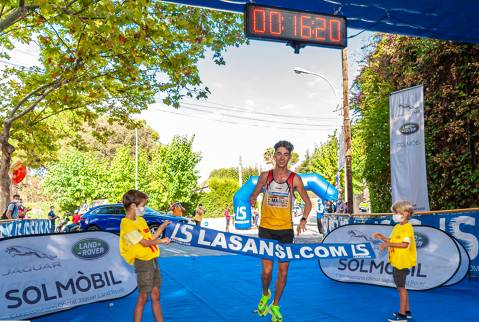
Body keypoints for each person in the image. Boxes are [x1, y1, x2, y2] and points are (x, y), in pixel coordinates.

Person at [249, 140, 312, 322]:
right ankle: (265, 294)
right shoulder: (264, 176)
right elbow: (253, 194)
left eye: (285, 154)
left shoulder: (295, 179)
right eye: (279, 153)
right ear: (274, 156)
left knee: (283, 272)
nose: (282, 157)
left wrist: (303, 219)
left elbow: (307, 203)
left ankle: (275, 305)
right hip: (266, 229)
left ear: (289, 157)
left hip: (286, 231)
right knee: (267, 272)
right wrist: (253, 199)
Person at [119, 190, 171, 322]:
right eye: (142, 205)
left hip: (153, 261)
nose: (144, 208)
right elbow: (144, 243)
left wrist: (161, 228)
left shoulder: (141, 220)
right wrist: (161, 241)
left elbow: (150, 238)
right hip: (143, 263)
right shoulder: (126, 225)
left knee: (156, 295)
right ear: (133, 206)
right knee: (143, 297)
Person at [372, 200, 417, 322]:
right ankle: (407, 311)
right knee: (400, 287)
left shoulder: (407, 228)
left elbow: (404, 244)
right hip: (396, 260)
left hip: (402, 262)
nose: (394, 215)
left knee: (401, 288)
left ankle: (402, 315)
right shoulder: (398, 227)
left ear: (406, 213)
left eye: (396, 212)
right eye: (394, 212)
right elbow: (393, 242)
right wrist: (382, 237)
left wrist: (387, 244)